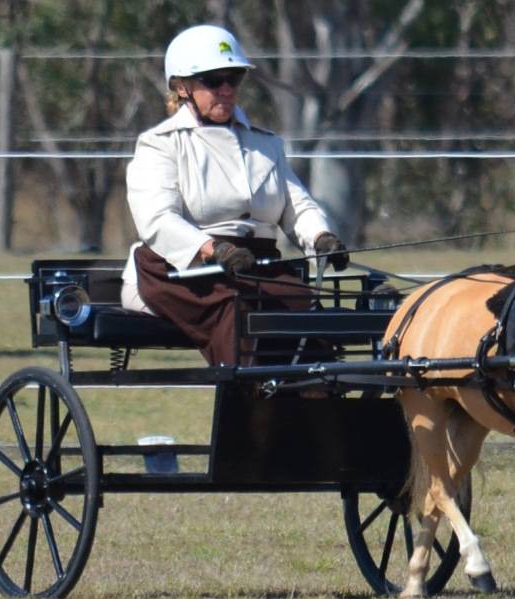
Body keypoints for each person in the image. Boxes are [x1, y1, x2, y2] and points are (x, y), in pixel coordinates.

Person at [121, 24, 349, 366]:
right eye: (214, 80)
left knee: (305, 307)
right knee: (239, 312)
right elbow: (157, 220)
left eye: (234, 78)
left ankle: (317, 394)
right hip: (181, 271)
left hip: (256, 266)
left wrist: (321, 237)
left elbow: (297, 205)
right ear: (182, 87)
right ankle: (250, 396)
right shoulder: (160, 144)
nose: (226, 89)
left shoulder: (266, 143)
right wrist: (215, 249)